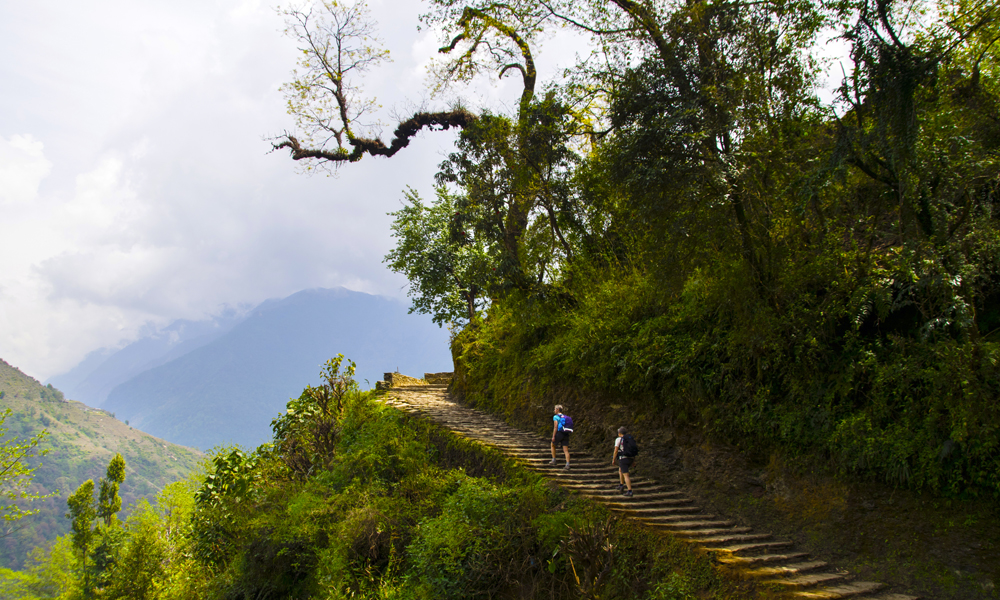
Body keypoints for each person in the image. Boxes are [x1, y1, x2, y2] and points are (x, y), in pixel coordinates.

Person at [611, 426, 634, 497]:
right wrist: (634, 460)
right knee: (620, 470)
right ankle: (621, 484)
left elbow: (616, 450)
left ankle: (629, 490)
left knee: (626, 475)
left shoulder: (618, 439)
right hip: (630, 458)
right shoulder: (629, 439)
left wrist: (613, 459)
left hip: (623, 458)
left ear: (619, 433)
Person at [549, 404, 570, 469]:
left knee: (552, 445)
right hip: (566, 433)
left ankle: (554, 460)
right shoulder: (565, 417)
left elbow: (556, 427)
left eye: (555, 409)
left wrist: (553, 436)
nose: (554, 410)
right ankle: (567, 464)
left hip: (559, 433)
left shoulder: (556, 417)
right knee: (566, 450)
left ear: (558, 409)